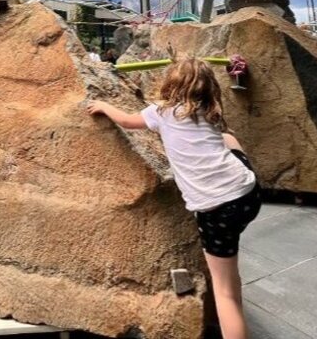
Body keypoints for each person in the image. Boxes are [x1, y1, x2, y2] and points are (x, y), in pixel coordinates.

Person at [86, 58, 260, 339]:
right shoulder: (209, 111)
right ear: (208, 89)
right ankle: (234, 297)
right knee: (228, 140)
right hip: (248, 193)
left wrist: (104, 106)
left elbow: (128, 122)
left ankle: (231, 315)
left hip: (215, 208)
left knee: (222, 291)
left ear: (171, 84)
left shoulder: (161, 113)